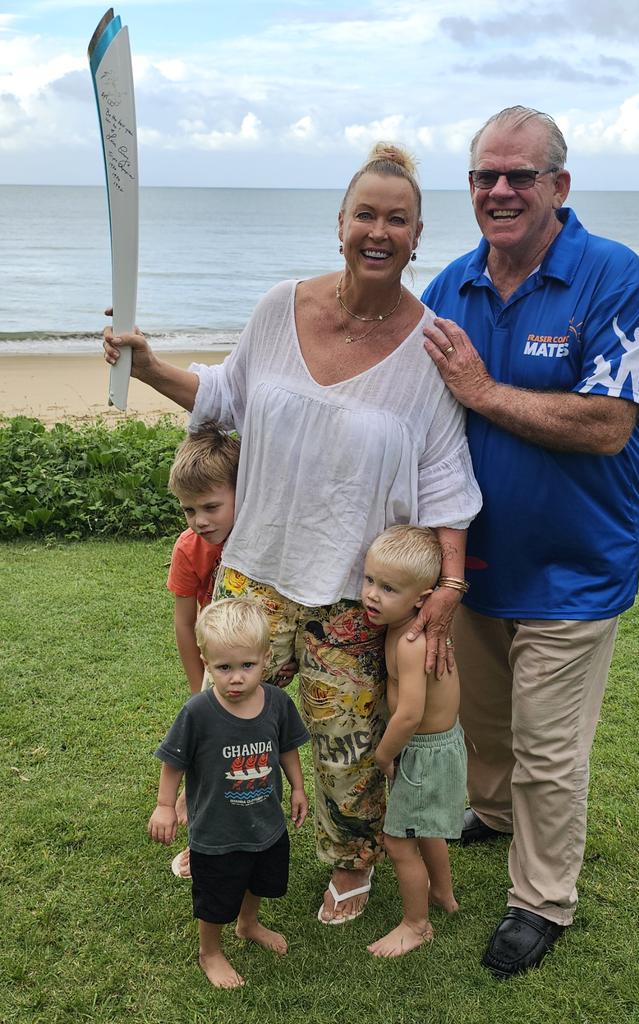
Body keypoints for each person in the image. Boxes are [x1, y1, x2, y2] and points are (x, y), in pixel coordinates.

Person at [104, 142, 482, 924]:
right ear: (340, 223)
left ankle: (351, 864)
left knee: (347, 750)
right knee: (226, 716)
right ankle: (219, 829)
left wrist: (448, 585)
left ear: (417, 238)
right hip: (256, 571)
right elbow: (223, 394)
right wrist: (147, 367)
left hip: (358, 595)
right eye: (366, 215)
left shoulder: (431, 345)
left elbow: (447, 483)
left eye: (398, 220)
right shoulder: (281, 306)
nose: (379, 231)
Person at [419, 106, 639, 977]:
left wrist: (484, 392)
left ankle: (542, 899)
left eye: (521, 175)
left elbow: (605, 425)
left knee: (550, 754)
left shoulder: (613, 277)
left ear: (559, 186)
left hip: (575, 568)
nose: (501, 190)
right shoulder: (449, 288)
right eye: (486, 175)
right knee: (486, 733)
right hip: (473, 569)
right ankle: (489, 813)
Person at [148, 598, 309, 989]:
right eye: (224, 668)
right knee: (216, 894)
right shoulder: (198, 712)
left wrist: (299, 788)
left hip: (265, 822)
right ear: (206, 663)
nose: (236, 678)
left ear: (266, 658)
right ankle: (210, 951)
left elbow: (287, 746)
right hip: (216, 831)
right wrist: (165, 806)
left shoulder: (277, 703)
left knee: (261, 878)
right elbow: (174, 761)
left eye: (247, 666)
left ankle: (248, 923)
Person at [361, 525, 466, 957]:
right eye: (369, 580)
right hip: (442, 745)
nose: (371, 595)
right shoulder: (405, 625)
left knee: (400, 840)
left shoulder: (408, 641)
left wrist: (384, 754)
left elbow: (409, 713)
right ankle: (443, 894)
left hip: (422, 751)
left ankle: (416, 924)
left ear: (422, 599)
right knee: (426, 828)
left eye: (388, 588)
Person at [167, 422, 240, 694]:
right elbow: (184, 623)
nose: (200, 521)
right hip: (218, 657)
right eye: (189, 510)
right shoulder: (187, 549)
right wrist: (198, 690)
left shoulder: (262, 538)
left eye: (211, 507)